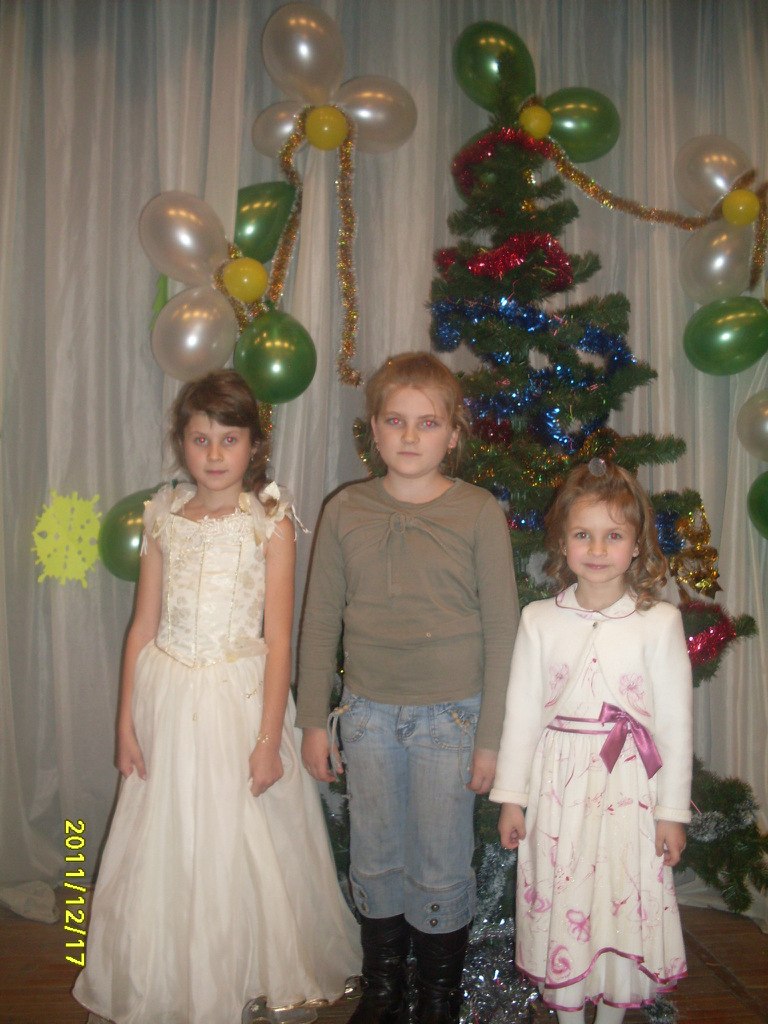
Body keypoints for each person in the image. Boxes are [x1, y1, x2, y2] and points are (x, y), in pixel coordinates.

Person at [73, 369, 361, 1024]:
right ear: (182, 442)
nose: (213, 453)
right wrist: (125, 725)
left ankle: (239, 974)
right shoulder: (163, 516)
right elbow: (141, 627)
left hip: (240, 702)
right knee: (165, 838)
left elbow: (279, 640)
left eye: (228, 439)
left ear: (253, 446)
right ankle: (169, 975)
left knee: (239, 840)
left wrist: (269, 740)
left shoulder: (270, 523)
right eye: (200, 439)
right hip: (168, 698)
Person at [297, 352, 519, 1024]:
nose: (411, 435)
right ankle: (385, 989)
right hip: (366, 717)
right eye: (396, 421)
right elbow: (320, 620)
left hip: (452, 719)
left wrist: (491, 742)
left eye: (428, 423)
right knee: (375, 855)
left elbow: (503, 632)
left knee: (442, 860)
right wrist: (313, 721)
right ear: (374, 429)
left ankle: (437, 997)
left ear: (453, 434)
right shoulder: (345, 509)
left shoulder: (477, 512)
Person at [491, 459, 693, 1024]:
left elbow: (675, 726)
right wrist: (513, 798)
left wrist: (672, 813)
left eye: (613, 536)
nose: (598, 549)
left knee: (619, 899)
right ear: (562, 542)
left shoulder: (659, 622)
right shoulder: (539, 620)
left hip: (630, 791)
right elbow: (521, 716)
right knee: (567, 901)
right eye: (583, 534)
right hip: (559, 795)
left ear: (637, 545)